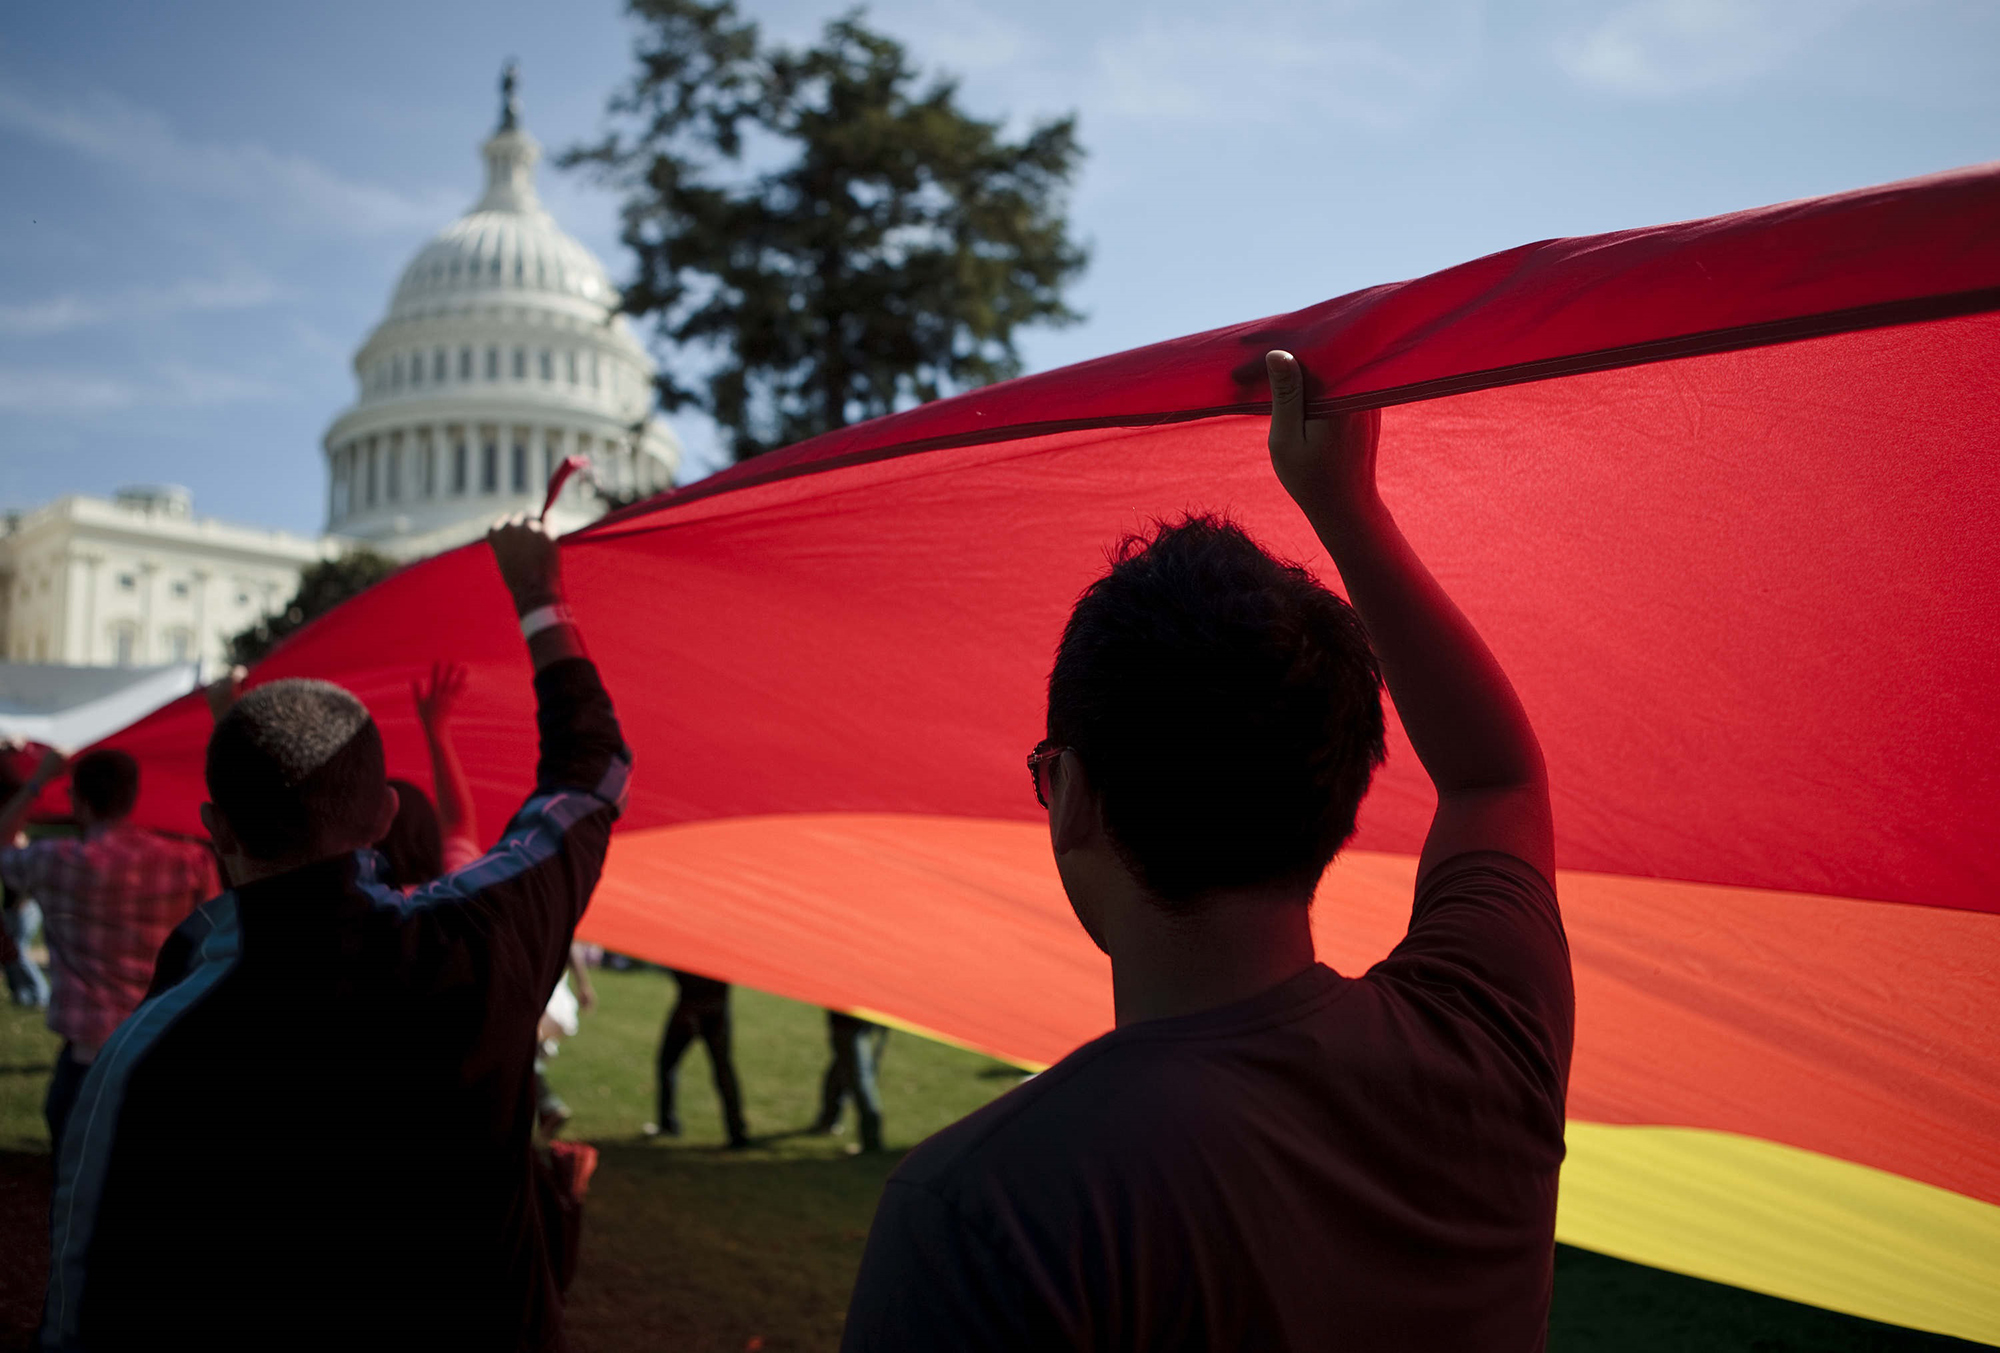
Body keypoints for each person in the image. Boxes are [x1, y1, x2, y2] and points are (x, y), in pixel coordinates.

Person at [842, 351, 1571, 1351]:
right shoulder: (1487, 1044)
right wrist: (1346, 507)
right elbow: (1495, 778)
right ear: (1343, 783)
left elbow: (1491, 778)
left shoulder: (986, 1208)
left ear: (1071, 797)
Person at [42, 516, 631, 1353]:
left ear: (216, 828)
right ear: (385, 816)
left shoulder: (149, 1045)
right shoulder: (474, 945)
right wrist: (538, 595)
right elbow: (591, 774)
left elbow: (87, 1301)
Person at [0, 747, 218, 1154]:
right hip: (162, 1045)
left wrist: (37, 780)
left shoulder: (56, 861)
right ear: (133, 793)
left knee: (79, 1197)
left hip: (88, 1058)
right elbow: (215, 942)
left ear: (78, 799)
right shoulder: (189, 862)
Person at [644, 969, 749, 1148]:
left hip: (691, 1006)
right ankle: (737, 1131)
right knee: (723, 1069)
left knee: (668, 1063)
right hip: (717, 1008)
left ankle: (668, 1123)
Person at [811, 1009, 888, 1153]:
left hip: (849, 1019)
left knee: (858, 1076)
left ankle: (871, 1141)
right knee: (843, 1066)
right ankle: (828, 1121)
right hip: (854, 1018)